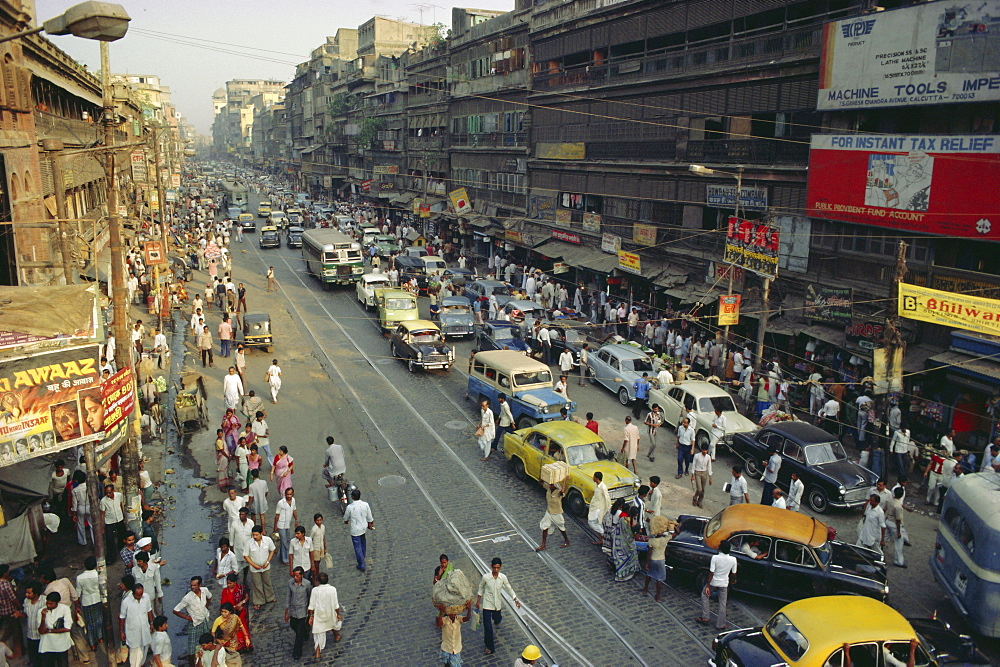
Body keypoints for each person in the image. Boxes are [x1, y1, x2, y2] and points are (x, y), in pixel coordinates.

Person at [475, 558, 520, 656]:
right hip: (487, 604)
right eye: (494, 568)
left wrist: (515, 599)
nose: (496, 570)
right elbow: (481, 587)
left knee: (497, 618)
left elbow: (509, 588)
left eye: (498, 568)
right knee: (488, 627)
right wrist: (478, 601)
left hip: (497, 605)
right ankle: (490, 646)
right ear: (491, 566)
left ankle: (497, 619)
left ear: (500, 568)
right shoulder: (486, 577)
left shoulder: (503, 577)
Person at [172, 577, 212, 667]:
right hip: (194, 623)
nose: (192, 587)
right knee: (191, 648)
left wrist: (206, 607)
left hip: (204, 620)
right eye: (191, 585)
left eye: (194, 585)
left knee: (206, 642)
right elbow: (175, 611)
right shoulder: (187, 598)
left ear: (200, 585)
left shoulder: (205, 591)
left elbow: (210, 597)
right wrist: (188, 618)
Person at [698, 541, 737, 630]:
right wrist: (733, 580)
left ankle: (705, 617)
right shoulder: (733, 559)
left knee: (704, 595)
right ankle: (721, 624)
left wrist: (708, 585)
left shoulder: (715, 558)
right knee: (722, 603)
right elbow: (734, 574)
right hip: (724, 583)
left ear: (720, 548)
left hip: (714, 582)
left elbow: (711, 573)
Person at [602, 498, 640, 582]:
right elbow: (635, 535)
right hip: (629, 543)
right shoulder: (635, 524)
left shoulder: (622, 519)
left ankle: (619, 571)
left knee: (619, 556)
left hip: (619, 541)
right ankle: (630, 571)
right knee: (632, 557)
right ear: (636, 515)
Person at [307, 573, 341, 659]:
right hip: (330, 613)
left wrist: (311, 615)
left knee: (319, 635)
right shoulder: (333, 589)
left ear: (318, 581)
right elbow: (336, 605)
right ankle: (336, 635)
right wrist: (338, 614)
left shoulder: (315, 590)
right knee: (333, 624)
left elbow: (311, 605)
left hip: (319, 615)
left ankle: (317, 653)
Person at [120, 583, 153, 667]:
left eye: (141, 594)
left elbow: (149, 610)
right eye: (138, 595)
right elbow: (122, 617)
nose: (140, 596)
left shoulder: (146, 597)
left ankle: (141, 664)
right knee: (134, 652)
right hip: (133, 632)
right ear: (133, 593)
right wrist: (121, 632)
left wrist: (151, 623)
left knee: (145, 648)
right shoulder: (126, 602)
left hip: (145, 629)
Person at [243, 527, 275, 610]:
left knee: (267, 582)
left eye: (257, 535)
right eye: (253, 535)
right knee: (257, 584)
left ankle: (270, 597)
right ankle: (258, 601)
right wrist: (254, 565)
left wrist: (267, 562)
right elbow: (246, 556)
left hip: (266, 566)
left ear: (261, 534)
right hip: (254, 568)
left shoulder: (268, 540)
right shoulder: (249, 543)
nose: (255, 536)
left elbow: (272, 550)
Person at [38, 591, 74, 667]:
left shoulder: (65, 609)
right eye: (47, 603)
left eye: (51, 604)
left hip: (61, 644)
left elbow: (67, 628)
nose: (48, 605)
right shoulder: (41, 611)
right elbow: (41, 631)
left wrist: (50, 631)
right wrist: (43, 618)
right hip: (47, 645)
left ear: (57, 603)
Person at [285, 567, 312, 660]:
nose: (295, 578)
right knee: (293, 625)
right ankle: (305, 632)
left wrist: (310, 612)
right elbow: (288, 597)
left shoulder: (307, 584)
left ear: (301, 575)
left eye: (297, 575)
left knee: (299, 634)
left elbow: (310, 597)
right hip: (293, 610)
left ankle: (297, 652)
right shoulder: (290, 583)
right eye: (294, 576)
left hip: (302, 611)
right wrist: (287, 612)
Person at [343, 489, 374, 571]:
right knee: (363, 542)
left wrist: (346, 521)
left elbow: (346, 517)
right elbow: (370, 517)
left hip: (355, 529)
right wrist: (370, 524)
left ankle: (361, 564)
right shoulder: (365, 504)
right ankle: (363, 556)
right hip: (363, 527)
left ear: (352, 497)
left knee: (357, 547)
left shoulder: (350, 507)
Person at [219, 573, 250, 652]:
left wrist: (241, 603)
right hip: (230, 614)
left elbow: (246, 597)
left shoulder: (241, 589)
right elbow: (223, 603)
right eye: (228, 583)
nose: (229, 585)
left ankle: (245, 645)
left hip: (241, 612)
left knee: (242, 628)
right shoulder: (225, 591)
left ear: (235, 582)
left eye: (230, 583)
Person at [641, 521, 671, 602]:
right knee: (659, 579)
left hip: (653, 560)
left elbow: (649, 553)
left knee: (649, 574)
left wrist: (647, 563)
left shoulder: (651, 540)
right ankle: (658, 596)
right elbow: (676, 533)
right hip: (661, 561)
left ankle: (645, 589)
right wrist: (671, 526)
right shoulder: (665, 539)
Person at [535, 481, 570, 551]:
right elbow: (540, 482)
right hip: (549, 512)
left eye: (552, 485)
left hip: (556, 513)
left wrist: (565, 480)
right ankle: (543, 545)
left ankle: (567, 540)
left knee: (561, 527)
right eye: (550, 485)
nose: (550, 486)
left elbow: (562, 492)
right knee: (545, 527)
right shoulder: (548, 488)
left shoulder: (558, 492)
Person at [99, 484, 125, 567]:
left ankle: (122, 551)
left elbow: (121, 505)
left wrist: (123, 515)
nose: (108, 494)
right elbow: (102, 513)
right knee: (110, 540)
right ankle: (111, 557)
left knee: (122, 535)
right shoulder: (103, 501)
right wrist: (102, 526)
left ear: (113, 491)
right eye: (107, 493)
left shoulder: (119, 496)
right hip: (109, 521)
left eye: (110, 492)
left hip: (119, 518)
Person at [438, 603, 470, 667]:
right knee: (447, 664)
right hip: (446, 648)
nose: (452, 615)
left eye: (454, 613)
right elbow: (438, 623)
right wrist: (441, 612)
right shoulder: (445, 620)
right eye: (451, 613)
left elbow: (467, 618)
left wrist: (469, 608)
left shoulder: (458, 619)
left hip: (456, 648)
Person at [885, 487, 906, 568]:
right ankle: (899, 561)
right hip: (894, 524)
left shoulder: (889, 500)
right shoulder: (898, 506)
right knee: (899, 543)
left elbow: (884, 509)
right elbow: (898, 520)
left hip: (888, 520)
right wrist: (898, 531)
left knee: (884, 538)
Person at [588, 471, 611, 544]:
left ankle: (603, 537)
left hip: (599, 509)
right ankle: (601, 539)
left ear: (597, 478)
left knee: (593, 523)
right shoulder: (597, 486)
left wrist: (608, 509)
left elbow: (607, 499)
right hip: (594, 507)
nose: (593, 478)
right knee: (597, 523)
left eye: (594, 477)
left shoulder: (603, 487)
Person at [691, 443, 712, 507]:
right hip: (697, 473)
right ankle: (695, 497)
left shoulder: (708, 457)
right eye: (703, 450)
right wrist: (692, 475)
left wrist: (710, 477)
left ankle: (700, 502)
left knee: (703, 489)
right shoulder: (697, 456)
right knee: (699, 489)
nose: (704, 452)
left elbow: (709, 467)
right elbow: (693, 465)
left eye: (706, 450)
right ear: (701, 450)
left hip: (704, 473)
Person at [309, 514, 327, 584]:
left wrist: (325, 547)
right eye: (317, 520)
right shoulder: (314, 529)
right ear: (315, 521)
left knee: (318, 562)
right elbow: (310, 539)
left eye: (320, 520)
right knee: (315, 563)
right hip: (315, 548)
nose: (319, 522)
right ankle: (315, 577)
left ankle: (316, 574)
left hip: (321, 547)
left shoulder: (323, 527)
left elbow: (323, 537)